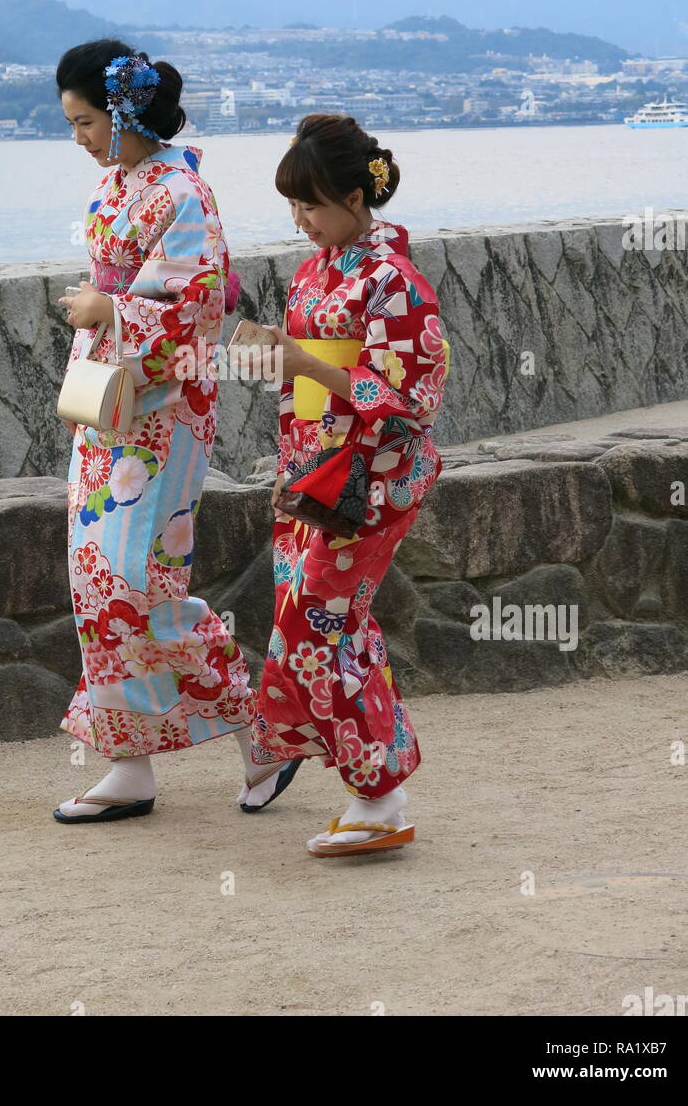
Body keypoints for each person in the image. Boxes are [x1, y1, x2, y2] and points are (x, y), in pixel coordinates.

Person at [51, 40, 293, 823]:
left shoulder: (182, 191)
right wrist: (105, 310)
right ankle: (129, 763)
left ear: (123, 111)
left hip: (163, 417)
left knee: (139, 585)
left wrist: (110, 309)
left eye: (87, 121)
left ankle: (258, 731)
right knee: (97, 583)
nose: (80, 137)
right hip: (111, 409)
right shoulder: (123, 187)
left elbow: (202, 306)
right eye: (72, 123)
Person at [246, 113, 449, 856]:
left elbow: (410, 401)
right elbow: (310, 378)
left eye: (311, 206)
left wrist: (308, 368)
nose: (300, 221)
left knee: (315, 627)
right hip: (318, 472)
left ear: (355, 200)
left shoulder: (394, 280)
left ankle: (380, 796)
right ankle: (375, 787)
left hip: (374, 478)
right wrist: (279, 361)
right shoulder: (318, 269)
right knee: (329, 624)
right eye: (292, 208)